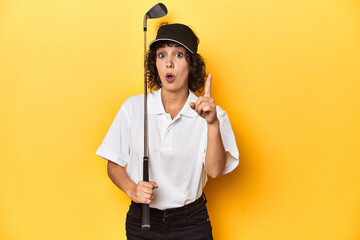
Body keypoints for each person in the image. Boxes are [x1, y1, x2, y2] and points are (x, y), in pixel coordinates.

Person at [96, 23, 239, 240]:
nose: (169, 63)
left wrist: (212, 123)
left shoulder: (212, 114)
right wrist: (132, 190)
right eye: (162, 55)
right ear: (155, 64)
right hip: (142, 220)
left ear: (191, 65)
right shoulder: (133, 107)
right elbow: (113, 163)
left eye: (178, 55)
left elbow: (214, 170)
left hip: (191, 223)